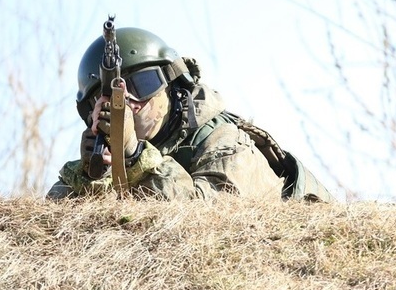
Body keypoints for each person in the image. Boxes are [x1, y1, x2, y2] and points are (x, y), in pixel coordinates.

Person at [46, 25, 334, 201]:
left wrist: (134, 156)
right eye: (106, 97)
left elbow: (201, 223)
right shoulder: (102, 157)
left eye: (143, 84)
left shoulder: (224, 141)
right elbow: (55, 231)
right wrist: (92, 176)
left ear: (172, 86)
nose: (129, 103)